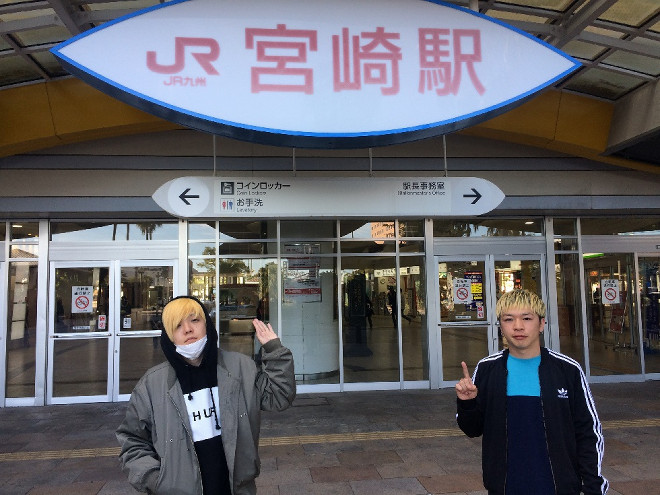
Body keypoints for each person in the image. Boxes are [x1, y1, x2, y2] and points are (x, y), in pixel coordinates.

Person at [116, 295, 296, 495]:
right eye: (177, 325)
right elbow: (132, 441)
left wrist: (274, 350)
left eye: (194, 320)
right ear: (168, 335)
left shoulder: (240, 368)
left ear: (207, 324)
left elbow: (279, 396)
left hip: (236, 489)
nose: (187, 329)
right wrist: (157, 481)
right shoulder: (152, 384)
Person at [455, 289, 608, 495]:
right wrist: (467, 403)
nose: (518, 326)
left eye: (527, 318)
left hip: (559, 488)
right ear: (501, 326)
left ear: (541, 324)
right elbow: (472, 429)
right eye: (509, 319)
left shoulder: (567, 370)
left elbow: (589, 432)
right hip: (504, 488)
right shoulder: (487, 369)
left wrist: (593, 487)